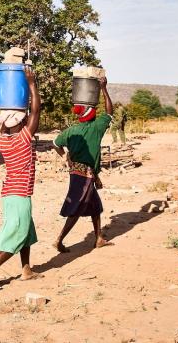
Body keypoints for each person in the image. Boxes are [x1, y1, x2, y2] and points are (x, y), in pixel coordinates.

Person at [0, 66, 41, 291]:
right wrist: (31, 83)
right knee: (18, 233)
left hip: (10, 193)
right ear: (22, 124)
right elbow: (36, 111)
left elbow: (14, 122)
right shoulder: (23, 139)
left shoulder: (3, 141)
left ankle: (26, 270)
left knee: (26, 232)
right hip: (19, 194)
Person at [52, 77, 114, 253]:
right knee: (77, 208)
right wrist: (103, 88)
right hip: (84, 175)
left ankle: (99, 238)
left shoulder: (71, 131)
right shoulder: (96, 128)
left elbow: (56, 143)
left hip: (78, 172)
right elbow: (110, 112)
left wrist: (65, 156)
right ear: (91, 113)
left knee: (95, 206)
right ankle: (59, 240)